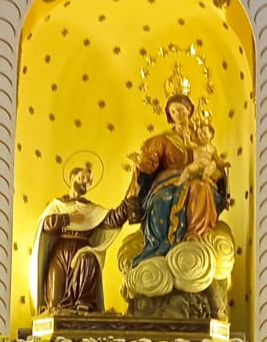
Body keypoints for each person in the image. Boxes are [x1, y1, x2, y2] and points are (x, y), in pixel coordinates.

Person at [31, 161, 134, 314]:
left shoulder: (91, 209)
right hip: (59, 253)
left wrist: (128, 202)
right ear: (73, 177)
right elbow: (45, 224)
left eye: (89, 180)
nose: (86, 182)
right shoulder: (58, 204)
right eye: (83, 177)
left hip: (81, 249)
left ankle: (82, 304)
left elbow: (112, 219)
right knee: (54, 303)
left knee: (88, 259)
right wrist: (67, 219)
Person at [127, 94, 200, 264]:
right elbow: (151, 161)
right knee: (161, 200)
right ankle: (157, 247)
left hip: (194, 178)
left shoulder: (200, 136)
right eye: (173, 111)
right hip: (167, 181)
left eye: (181, 110)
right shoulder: (163, 139)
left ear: (189, 111)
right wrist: (140, 161)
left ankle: (191, 239)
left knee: (199, 193)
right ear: (169, 115)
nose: (178, 114)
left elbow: (209, 156)